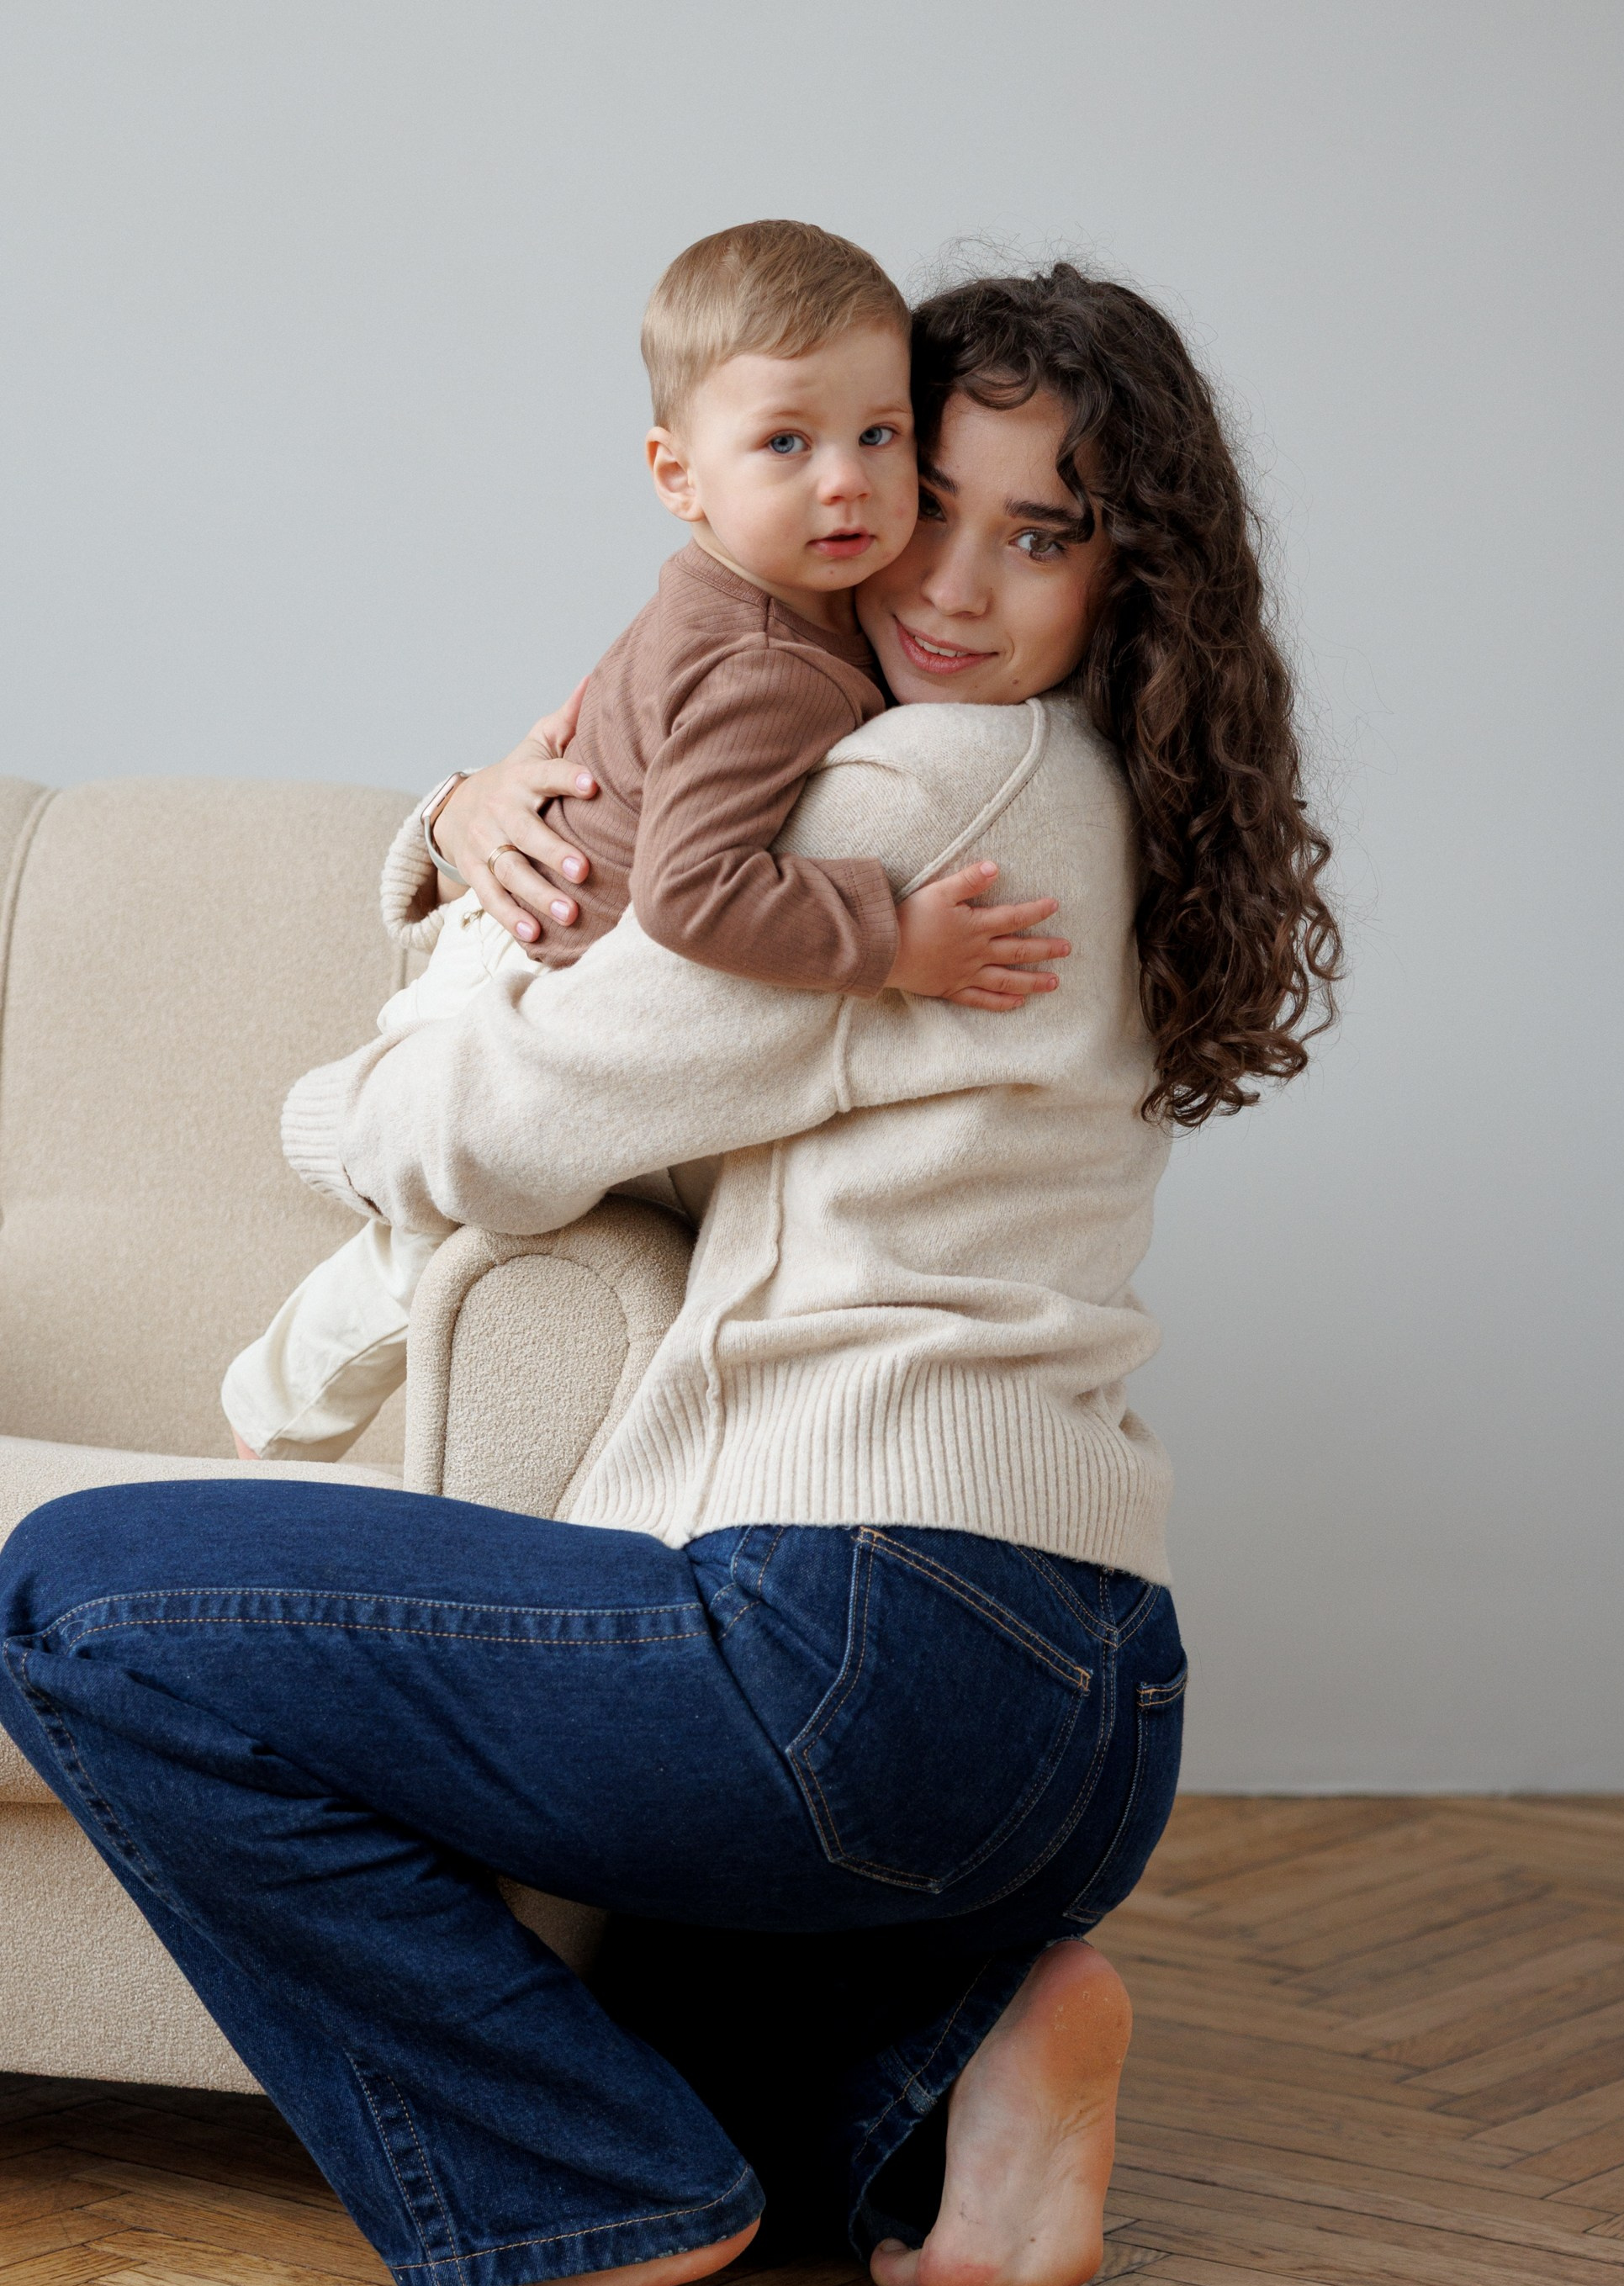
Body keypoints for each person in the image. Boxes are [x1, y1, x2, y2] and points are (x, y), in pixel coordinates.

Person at [0, 262, 1340, 2286]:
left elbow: (504, 1122)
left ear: (1125, 574)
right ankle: (949, 2078)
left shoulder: (912, 796)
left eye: (1041, 534)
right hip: (1080, 1696)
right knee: (668, 2035)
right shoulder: (1104, 800)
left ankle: (580, 2198)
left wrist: (342, 1096)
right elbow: (679, 1061)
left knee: (75, 1598)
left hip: (852, 1634)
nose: (954, 586)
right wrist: (456, 821)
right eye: (931, 495)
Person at [221, 220, 1064, 1463]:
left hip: (511, 944)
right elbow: (690, 896)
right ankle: (258, 1431)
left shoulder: (732, 589)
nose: (847, 482)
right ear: (680, 475)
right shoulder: (776, 663)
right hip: (513, 982)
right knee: (412, 1265)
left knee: (445, 1248)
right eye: (788, 443)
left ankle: (258, 1429)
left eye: (880, 437)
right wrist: (891, 939)